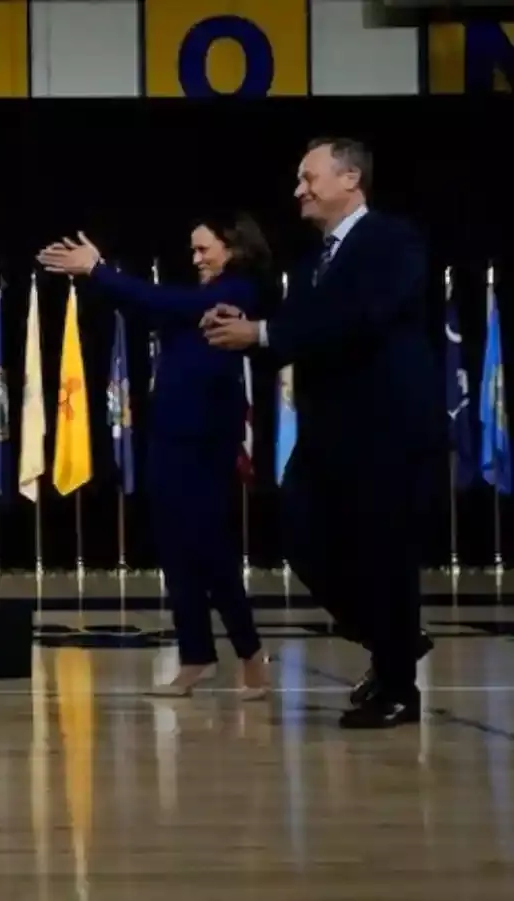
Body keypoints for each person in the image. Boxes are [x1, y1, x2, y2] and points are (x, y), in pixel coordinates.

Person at [205, 138, 437, 729]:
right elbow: (300, 330)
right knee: (299, 535)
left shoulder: (392, 241)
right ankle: (394, 640)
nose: (298, 190)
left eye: (309, 178)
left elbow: (358, 319)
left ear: (350, 178)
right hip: (327, 432)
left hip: (385, 429)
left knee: (384, 554)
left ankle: (398, 689)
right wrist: (251, 330)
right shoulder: (313, 261)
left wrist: (264, 333)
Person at [38, 215, 271, 699]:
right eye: (193, 250)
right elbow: (147, 305)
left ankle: (250, 655)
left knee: (210, 547)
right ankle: (196, 656)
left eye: (204, 249)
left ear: (233, 248)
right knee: (173, 547)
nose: (196, 258)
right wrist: (95, 275)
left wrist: (99, 269)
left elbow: (168, 302)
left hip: (207, 438)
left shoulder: (239, 291)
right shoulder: (198, 299)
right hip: (168, 434)